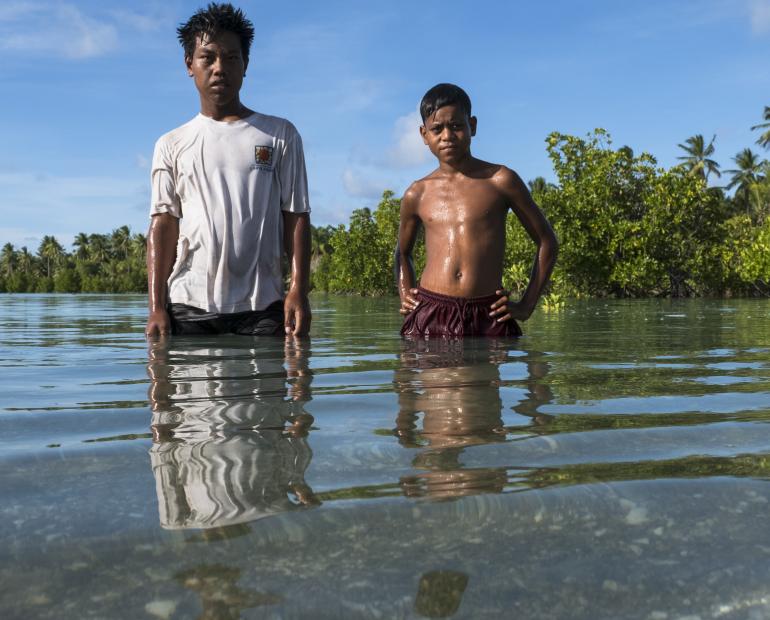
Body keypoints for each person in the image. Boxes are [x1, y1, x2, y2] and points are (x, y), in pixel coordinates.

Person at [145, 3, 311, 338]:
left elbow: (296, 215)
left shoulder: (279, 134)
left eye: (232, 58)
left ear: (245, 65)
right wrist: (156, 307)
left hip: (263, 308)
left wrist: (298, 292)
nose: (220, 68)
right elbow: (163, 223)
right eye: (208, 57)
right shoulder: (172, 143)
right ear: (189, 64)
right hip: (188, 307)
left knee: (269, 390)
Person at [397, 83, 558, 338]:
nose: (447, 136)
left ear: (472, 125)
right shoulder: (417, 194)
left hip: (490, 312)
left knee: (486, 377)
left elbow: (547, 241)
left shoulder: (500, 180)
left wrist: (526, 305)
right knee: (431, 377)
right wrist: (405, 293)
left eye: (456, 126)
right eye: (437, 129)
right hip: (431, 312)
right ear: (424, 134)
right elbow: (402, 254)